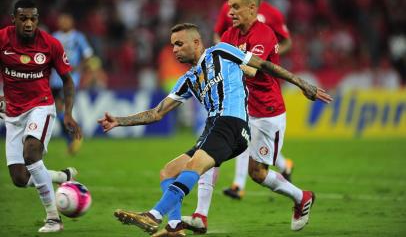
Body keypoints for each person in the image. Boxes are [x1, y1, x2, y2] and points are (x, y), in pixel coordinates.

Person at [98, 23, 332, 236]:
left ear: (196, 42)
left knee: (195, 166)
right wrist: (119, 120)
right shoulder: (189, 79)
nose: (175, 50)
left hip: (232, 122)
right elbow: (156, 113)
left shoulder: (220, 51)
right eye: (172, 46)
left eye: (179, 44)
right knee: (168, 172)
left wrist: (304, 84)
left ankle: (153, 216)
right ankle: (174, 227)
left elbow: (264, 65)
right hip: (214, 127)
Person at [182, 0, 305, 233]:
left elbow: (251, 69)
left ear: (252, 8)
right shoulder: (229, 35)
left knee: (258, 174)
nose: (231, 12)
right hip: (239, 109)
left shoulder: (265, 34)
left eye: (236, 7)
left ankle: (301, 197)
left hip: (267, 111)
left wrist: (224, 64)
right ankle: (200, 216)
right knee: (209, 154)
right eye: (229, 7)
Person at [0, 0, 82, 233]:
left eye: (33, 19)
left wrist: (68, 113)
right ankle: (61, 175)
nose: (28, 23)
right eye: (23, 18)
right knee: (19, 178)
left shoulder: (50, 44)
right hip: (13, 113)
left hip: (41, 106)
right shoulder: (2, 39)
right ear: (13, 18)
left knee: (31, 153)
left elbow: (68, 80)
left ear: (38, 20)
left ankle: (54, 219)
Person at [216, 0, 295, 202]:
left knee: (251, 148)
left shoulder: (271, 17)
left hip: (263, 95)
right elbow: (218, 35)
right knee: (243, 140)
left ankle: (281, 168)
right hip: (242, 95)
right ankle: (239, 185)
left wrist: (270, 56)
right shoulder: (230, 12)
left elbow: (284, 42)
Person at [50, 13, 93, 155]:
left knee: (62, 110)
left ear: (71, 22)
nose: (63, 23)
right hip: (54, 79)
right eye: (61, 20)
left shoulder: (78, 37)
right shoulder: (54, 36)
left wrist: (79, 68)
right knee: (58, 112)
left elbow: (88, 55)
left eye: (66, 20)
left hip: (69, 79)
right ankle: (71, 140)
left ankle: (75, 134)